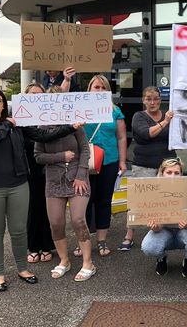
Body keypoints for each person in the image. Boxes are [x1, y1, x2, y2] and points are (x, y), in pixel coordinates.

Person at [0, 88, 77, 292]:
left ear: (3, 104)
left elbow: (43, 135)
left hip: (18, 184)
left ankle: (22, 269)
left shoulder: (17, 126)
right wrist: (6, 124)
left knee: (19, 231)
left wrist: (71, 127)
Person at [34, 86, 95, 282]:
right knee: (56, 222)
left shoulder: (75, 124)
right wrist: (60, 156)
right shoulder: (42, 128)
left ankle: (88, 263)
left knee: (78, 219)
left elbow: (85, 150)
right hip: (54, 181)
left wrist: (81, 174)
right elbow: (38, 156)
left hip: (78, 178)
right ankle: (64, 260)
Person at [119, 86, 175, 251]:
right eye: (149, 99)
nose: (153, 102)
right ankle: (129, 234)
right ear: (143, 100)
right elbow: (147, 134)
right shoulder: (139, 116)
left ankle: (164, 231)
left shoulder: (169, 115)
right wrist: (165, 121)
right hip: (144, 166)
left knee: (168, 200)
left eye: (156, 99)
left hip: (167, 167)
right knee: (137, 201)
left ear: (160, 99)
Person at [77, 75, 127, 257]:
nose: (99, 91)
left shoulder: (115, 112)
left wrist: (122, 161)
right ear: (89, 89)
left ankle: (102, 240)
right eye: (96, 87)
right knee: (83, 202)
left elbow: (121, 137)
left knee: (104, 201)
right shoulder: (80, 109)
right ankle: (82, 241)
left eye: (102, 88)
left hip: (109, 161)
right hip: (85, 162)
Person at [140, 158, 187, 277]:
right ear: (162, 174)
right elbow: (153, 221)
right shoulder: (153, 192)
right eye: (169, 172)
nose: (173, 176)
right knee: (148, 247)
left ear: (181, 175)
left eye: (176, 173)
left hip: (184, 232)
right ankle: (161, 258)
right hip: (164, 232)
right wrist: (155, 227)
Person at [24, 83, 55, 264]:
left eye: (40, 95)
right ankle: (33, 246)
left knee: (49, 209)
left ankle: (47, 245)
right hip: (29, 169)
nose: (36, 97)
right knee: (32, 209)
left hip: (50, 168)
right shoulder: (20, 118)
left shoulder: (51, 115)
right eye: (32, 94)